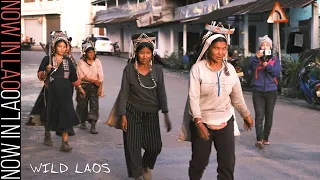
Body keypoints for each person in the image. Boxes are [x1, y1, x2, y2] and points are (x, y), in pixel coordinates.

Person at [179, 24, 253, 180]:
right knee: (199, 162)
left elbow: (237, 96)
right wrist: (198, 122)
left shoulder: (230, 69)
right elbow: (193, 97)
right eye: (216, 48)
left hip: (225, 121)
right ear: (208, 48)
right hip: (203, 122)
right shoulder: (197, 69)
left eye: (224, 48)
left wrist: (246, 114)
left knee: (227, 163)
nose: (220, 53)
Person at [107, 33, 172, 180]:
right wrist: (122, 115)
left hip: (151, 113)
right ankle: (137, 175)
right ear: (136, 53)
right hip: (132, 112)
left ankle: (145, 165)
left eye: (148, 53)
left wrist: (166, 114)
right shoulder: (129, 70)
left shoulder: (157, 70)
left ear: (152, 54)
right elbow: (123, 93)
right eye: (141, 53)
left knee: (155, 147)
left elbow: (161, 91)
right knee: (133, 148)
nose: (144, 56)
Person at [37, 35, 86, 152]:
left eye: (64, 47)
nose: (62, 49)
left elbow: (73, 78)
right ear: (55, 47)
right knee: (49, 114)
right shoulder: (47, 60)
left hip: (66, 94)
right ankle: (47, 134)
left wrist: (80, 88)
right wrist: (46, 71)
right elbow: (40, 77)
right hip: (51, 93)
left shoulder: (68, 61)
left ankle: (65, 143)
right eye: (60, 46)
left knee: (65, 116)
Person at [249, 35, 281, 149]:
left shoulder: (275, 60)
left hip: (271, 90)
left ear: (271, 47)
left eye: (267, 45)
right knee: (259, 115)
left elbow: (276, 73)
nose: (265, 46)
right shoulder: (255, 59)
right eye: (263, 44)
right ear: (259, 47)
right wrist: (255, 58)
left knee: (269, 115)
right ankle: (259, 139)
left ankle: (266, 137)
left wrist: (267, 66)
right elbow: (250, 70)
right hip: (257, 90)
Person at [76, 44, 104, 134]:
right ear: (85, 53)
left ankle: (93, 125)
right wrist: (93, 80)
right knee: (82, 104)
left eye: (92, 52)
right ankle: (82, 121)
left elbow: (101, 76)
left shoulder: (97, 62)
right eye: (89, 52)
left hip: (94, 86)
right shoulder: (81, 62)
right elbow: (80, 76)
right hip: (83, 86)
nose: (91, 54)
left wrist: (100, 88)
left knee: (94, 105)